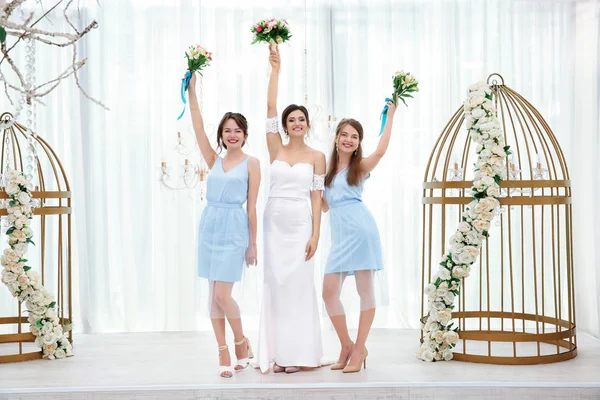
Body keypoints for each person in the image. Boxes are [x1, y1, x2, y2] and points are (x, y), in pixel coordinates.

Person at [255, 45, 326, 374]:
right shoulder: (275, 147)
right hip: (273, 223)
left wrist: (315, 235)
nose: (296, 123)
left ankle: (299, 354)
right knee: (277, 285)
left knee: (298, 285)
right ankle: (277, 353)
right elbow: (269, 106)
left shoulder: (317, 157)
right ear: (284, 125)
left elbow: (316, 199)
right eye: (291, 119)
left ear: (307, 124)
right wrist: (275, 70)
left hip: (300, 226)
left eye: (301, 119)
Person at [188, 73, 261, 378]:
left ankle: (241, 342)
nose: (232, 135)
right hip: (210, 225)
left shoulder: (252, 163)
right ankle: (223, 351)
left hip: (234, 227)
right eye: (227, 130)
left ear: (245, 134)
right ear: (222, 134)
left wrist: (252, 243)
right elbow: (196, 124)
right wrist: (191, 88)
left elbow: (253, 206)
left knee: (222, 294)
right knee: (212, 294)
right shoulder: (213, 159)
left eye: (238, 130)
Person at [321, 101, 397, 373]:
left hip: (362, 232)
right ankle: (347, 345)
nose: (349, 140)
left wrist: (390, 116)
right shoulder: (327, 172)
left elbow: (382, 150)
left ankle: (359, 349)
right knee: (329, 292)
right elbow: (321, 205)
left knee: (365, 292)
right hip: (340, 237)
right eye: (345, 135)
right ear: (337, 137)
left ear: (358, 142)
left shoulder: (360, 166)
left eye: (354, 136)